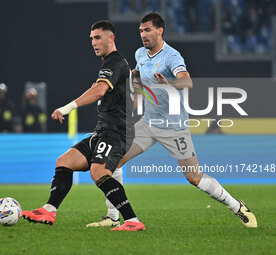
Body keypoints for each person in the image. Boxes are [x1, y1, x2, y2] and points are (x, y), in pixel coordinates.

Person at [87, 12, 257, 228]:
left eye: (147, 30)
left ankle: (237, 207)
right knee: (113, 162)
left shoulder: (172, 57)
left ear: (160, 31)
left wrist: (169, 82)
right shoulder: (140, 53)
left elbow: (187, 82)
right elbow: (136, 74)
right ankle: (112, 216)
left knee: (194, 178)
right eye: (141, 31)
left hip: (173, 127)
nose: (143, 35)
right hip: (148, 124)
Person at [22, 20, 145, 231]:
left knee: (98, 172)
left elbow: (98, 91)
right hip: (103, 130)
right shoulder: (115, 64)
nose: (93, 43)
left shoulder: (114, 62)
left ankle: (132, 221)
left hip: (116, 132)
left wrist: (67, 108)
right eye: (91, 39)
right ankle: (49, 210)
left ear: (111, 38)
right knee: (64, 161)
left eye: (98, 37)